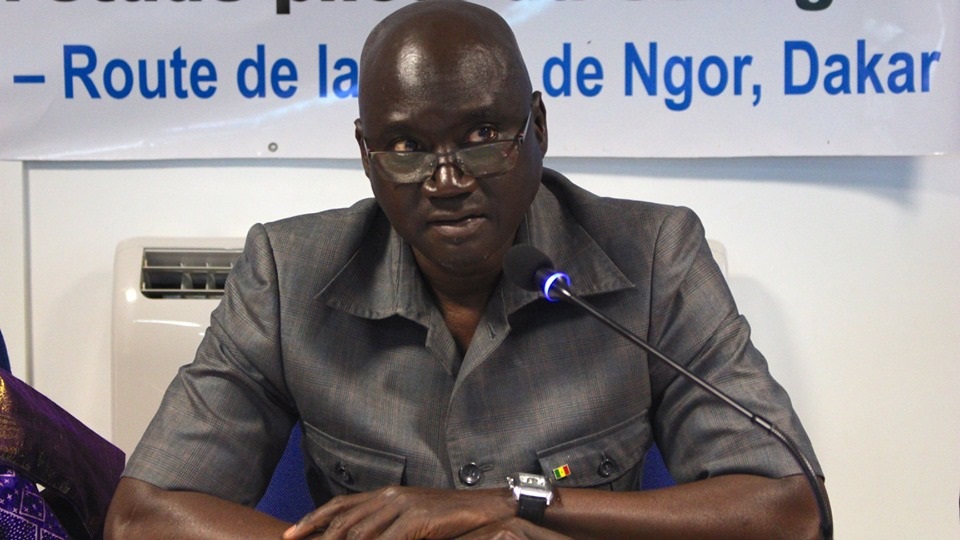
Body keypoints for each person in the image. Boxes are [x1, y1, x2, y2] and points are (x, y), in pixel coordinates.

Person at [105, 1, 828, 538]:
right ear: (366, 155)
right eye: (406, 147)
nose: (446, 181)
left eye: (483, 135)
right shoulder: (287, 275)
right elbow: (143, 516)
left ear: (537, 128)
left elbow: (789, 511)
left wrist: (511, 503)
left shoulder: (655, 255)